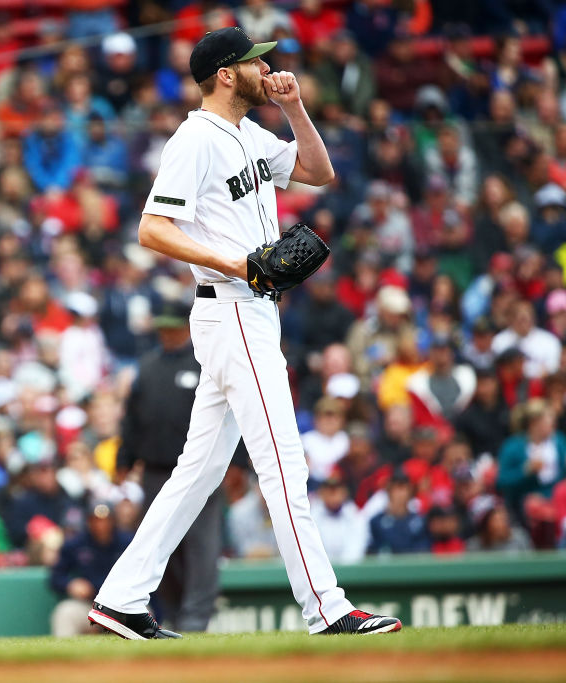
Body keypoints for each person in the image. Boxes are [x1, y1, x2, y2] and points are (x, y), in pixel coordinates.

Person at [89, 28, 400, 640]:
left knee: (197, 473)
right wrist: (240, 264)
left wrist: (294, 107)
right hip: (231, 305)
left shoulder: (249, 131)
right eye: (256, 61)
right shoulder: (196, 138)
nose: (267, 67)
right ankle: (327, 608)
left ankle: (121, 597)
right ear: (227, 74)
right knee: (283, 463)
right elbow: (152, 229)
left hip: (250, 310)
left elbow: (319, 171)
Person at [116, 298, 221, 633]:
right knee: (163, 545)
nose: (165, 332)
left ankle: (197, 617)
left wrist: (237, 465)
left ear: (186, 326)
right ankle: (175, 614)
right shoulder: (147, 366)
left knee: (201, 547)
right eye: (161, 327)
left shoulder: (205, 362)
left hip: (202, 470)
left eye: (171, 326)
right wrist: (124, 459)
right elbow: (132, 418)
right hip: (156, 471)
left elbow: (229, 415)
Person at [49, 500, 131, 637]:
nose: (101, 525)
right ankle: (65, 657)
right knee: (65, 613)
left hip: (121, 605)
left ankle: (138, 658)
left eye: (105, 521)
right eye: (96, 520)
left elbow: (144, 578)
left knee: (144, 613)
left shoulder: (127, 543)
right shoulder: (76, 544)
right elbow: (55, 577)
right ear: (88, 521)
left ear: (113, 521)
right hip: (88, 604)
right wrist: (70, 584)